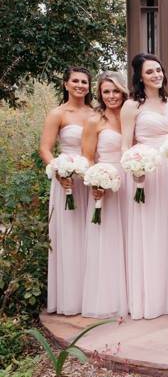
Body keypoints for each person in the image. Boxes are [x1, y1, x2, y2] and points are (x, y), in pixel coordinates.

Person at [121, 53, 168, 320]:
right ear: (139, 77)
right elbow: (125, 143)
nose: (156, 75)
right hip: (147, 171)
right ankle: (148, 298)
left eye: (159, 70)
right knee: (149, 231)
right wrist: (135, 170)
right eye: (150, 72)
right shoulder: (132, 106)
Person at [40, 66, 94, 315]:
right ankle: (70, 300)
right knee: (70, 236)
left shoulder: (95, 113)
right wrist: (58, 171)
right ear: (66, 84)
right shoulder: (57, 114)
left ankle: (91, 296)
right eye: (76, 81)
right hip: (67, 181)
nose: (80, 85)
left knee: (91, 236)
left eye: (84, 82)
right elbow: (46, 149)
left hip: (90, 180)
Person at [80, 71, 129, 318]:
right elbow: (87, 158)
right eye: (106, 91)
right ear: (99, 94)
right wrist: (95, 183)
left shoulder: (132, 114)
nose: (111, 96)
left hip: (132, 181)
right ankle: (109, 299)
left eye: (116, 90)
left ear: (123, 91)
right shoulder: (94, 121)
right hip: (106, 182)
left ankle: (134, 296)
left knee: (130, 239)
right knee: (107, 239)